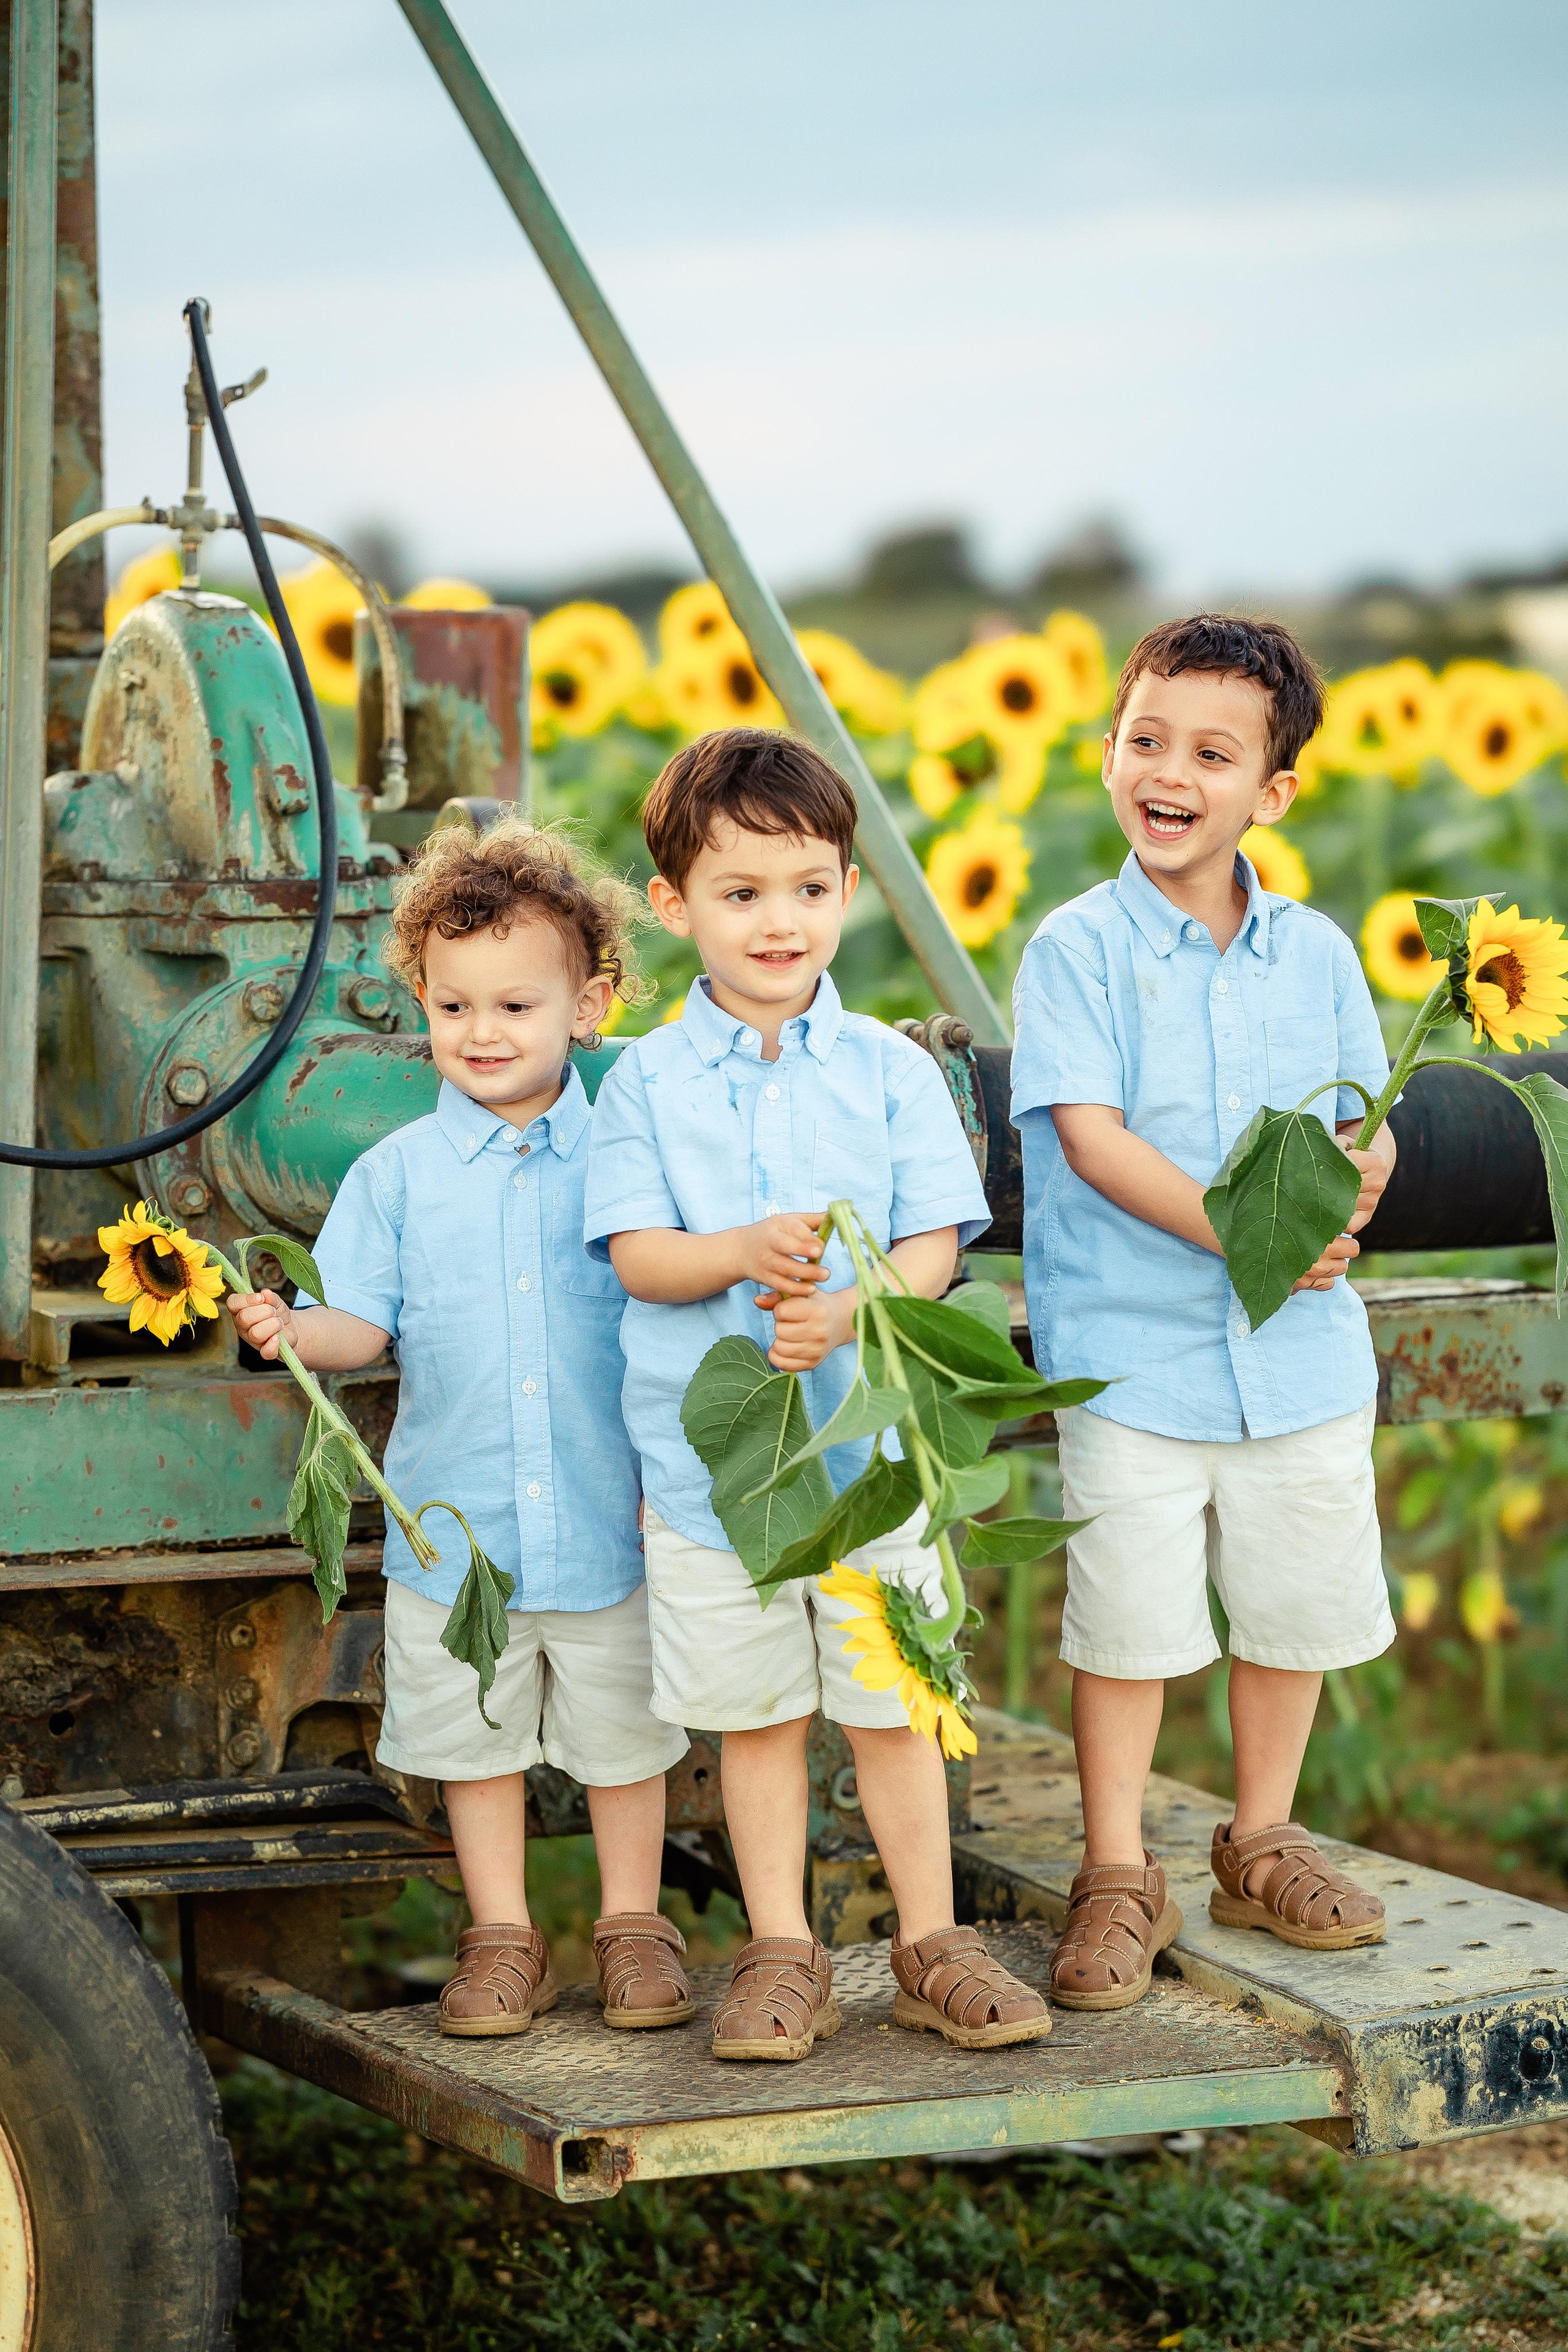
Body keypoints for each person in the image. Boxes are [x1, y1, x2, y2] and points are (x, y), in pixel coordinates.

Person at [585, 728, 1051, 2060]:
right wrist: (735, 1254)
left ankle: (926, 1939)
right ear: (675, 909)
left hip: (869, 1468)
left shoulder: (892, 1072)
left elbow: (931, 1243)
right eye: (739, 894)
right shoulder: (646, 1086)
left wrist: (859, 1305)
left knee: (893, 1703)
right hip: (712, 1478)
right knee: (757, 1721)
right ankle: (781, 1949)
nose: (777, 921)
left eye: (805, 887)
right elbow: (636, 1257)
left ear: (845, 887)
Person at [227, 820, 695, 2040]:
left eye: (514, 1005)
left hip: (609, 1518)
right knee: (474, 1743)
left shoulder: (626, 1161)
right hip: (459, 1528)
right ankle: (500, 1936)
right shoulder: (394, 1177)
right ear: (418, 1006)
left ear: (586, 1006)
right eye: (452, 1005)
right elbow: (360, 1329)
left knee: (623, 1740)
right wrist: (292, 1327)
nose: (481, 1033)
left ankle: (633, 1925)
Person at [1011, 614, 1398, 2011]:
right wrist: (1247, 1230)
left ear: (1271, 792)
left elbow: (1367, 1116)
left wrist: (1352, 1192)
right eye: (1144, 740)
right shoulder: (1075, 950)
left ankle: (1260, 1835)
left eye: (1210, 753)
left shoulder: (1317, 953)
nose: (1167, 772)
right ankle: (1115, 1868)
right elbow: (1093, 1142)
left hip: (1298, 1355)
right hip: (1133, 1354)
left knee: (1289, 1609)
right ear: (1108, 751)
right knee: (1130, 1625)